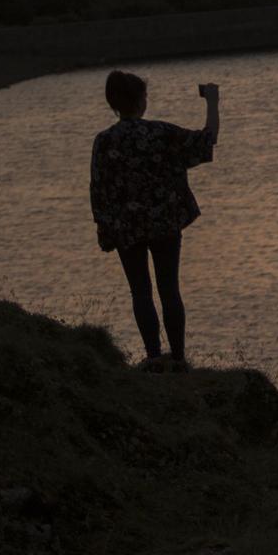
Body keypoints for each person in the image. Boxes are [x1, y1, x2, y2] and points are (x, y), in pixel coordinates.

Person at [89, 70, 220, 368]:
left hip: (126, 227)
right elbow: (207, 141)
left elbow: (98, 189)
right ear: (140, 101)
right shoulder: (159, 132)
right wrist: (212, 102)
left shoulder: (105, 141)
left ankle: (153, 356)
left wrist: (105, 229)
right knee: (169, 288)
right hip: (165, 223)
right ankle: (177, 357)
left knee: (140, 291)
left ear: (114, 103)